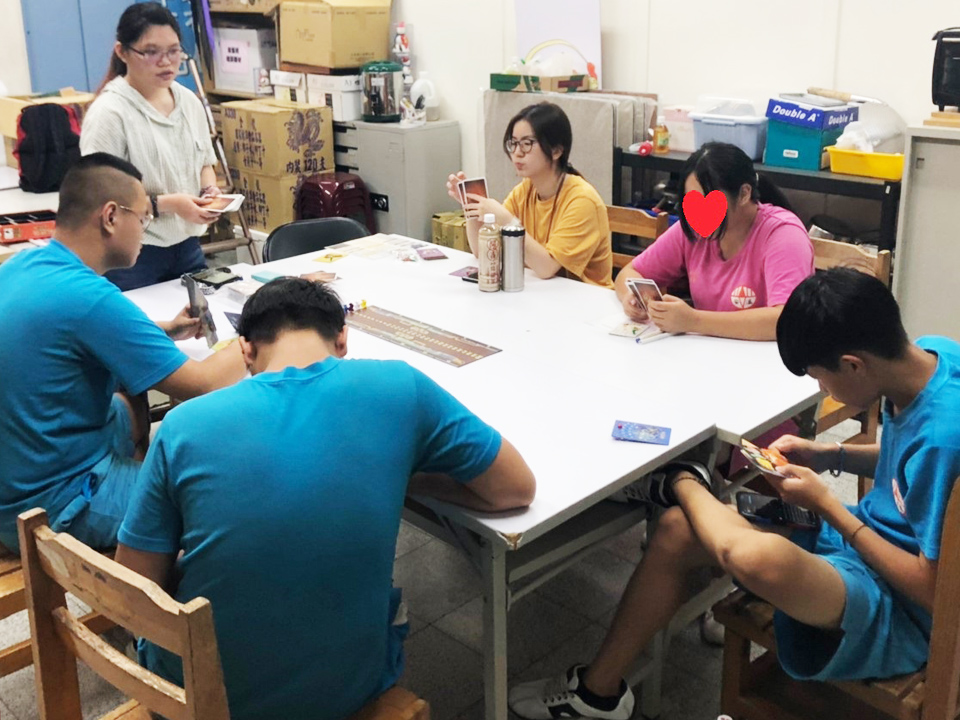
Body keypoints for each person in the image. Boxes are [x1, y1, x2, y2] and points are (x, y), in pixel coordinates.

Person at [509, 268, 960, 719]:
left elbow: (933, 591)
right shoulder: (932, 355)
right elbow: (907, 465)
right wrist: (830, 454)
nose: (822, 390)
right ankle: (596, 695)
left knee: (757, 559)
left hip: (903, 607)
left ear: (854, 365)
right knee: (678, 528)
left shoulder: (943, 437)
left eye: (822, 379)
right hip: (863, 541)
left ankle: (680, 480)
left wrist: (824, 503)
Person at [115, 278, 537, 720]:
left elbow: (133, 589)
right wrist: (412, 480)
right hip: (343, 694)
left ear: (246, 351)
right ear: (342, 340)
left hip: (196, 702)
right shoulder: (400, 387)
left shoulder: (184, 425)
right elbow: (515, 488)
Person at [0, 153, 246, 552]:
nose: (145, 231)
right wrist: (256, 329)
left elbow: (76, 333)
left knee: (129, 407)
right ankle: (143, 553)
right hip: (46, 501)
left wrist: (165, 331)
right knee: (222, 498)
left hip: (21, 462)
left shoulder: (25, 264)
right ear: (111, 216)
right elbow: (202, 384)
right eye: (144, 218)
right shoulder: (89, 297)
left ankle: (134, 508)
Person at [80, 2, 221, 291]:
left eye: (173, 51)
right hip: (132, 254)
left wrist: (210, 192)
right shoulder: (110, 113)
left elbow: (204, 162)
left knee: (200, 315)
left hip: (187, 245)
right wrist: (171, 204)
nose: (166, 62)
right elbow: (102, 198)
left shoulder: (189, 102)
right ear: (122, 52)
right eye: (151, 52)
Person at [615, 142, 814, 341]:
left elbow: (786, 320)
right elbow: (630, 272)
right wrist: (632, 298)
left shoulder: (783, 234)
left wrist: (694, 321)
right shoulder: (692, 229)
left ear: (744, 194)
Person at [446, 102, 613, 288]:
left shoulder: (582, 200)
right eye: (513, 143)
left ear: (556, 151)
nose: (517, 153)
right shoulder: (525, 190)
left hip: (586, 298)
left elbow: (546, 268)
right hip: (542, 293)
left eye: (527, 144)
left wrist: (507, 221)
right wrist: (471, 206)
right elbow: (482, 252)